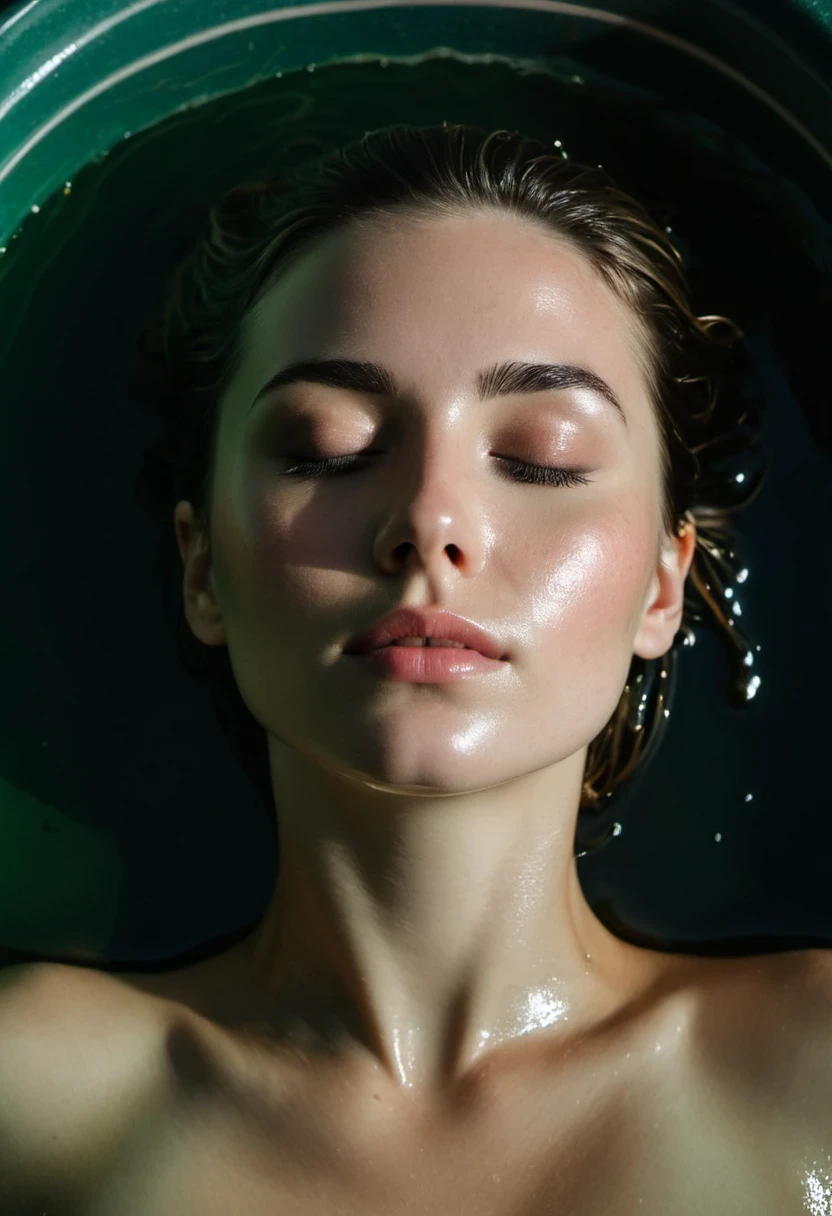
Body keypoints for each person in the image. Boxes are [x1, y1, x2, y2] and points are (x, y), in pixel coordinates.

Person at [2, 121, 830, 1215]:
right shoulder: (36, 1098)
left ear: (660, 587)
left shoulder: (806, 1079)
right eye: (328, 448)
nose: (429, 518)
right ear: (201, 568)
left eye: (543, 456)